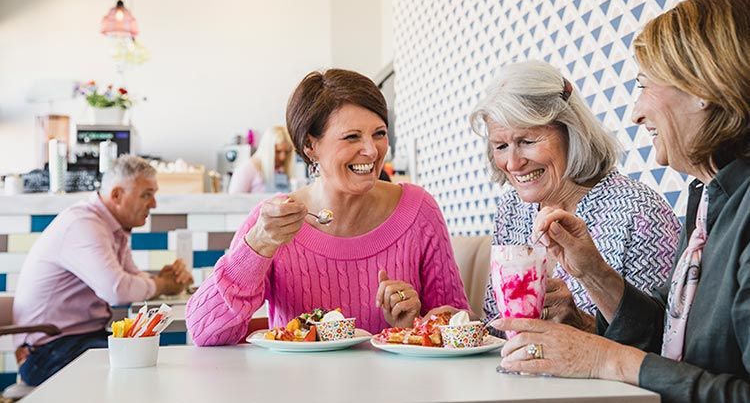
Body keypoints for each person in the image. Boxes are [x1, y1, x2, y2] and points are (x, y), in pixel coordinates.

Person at [494, 0, 750, 403]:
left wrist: (606, 358)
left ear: (703, 87)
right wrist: (592, 270)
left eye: (645, 86)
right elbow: (667, 337)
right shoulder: (707, 199)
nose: (636, 112)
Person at [186, 69, 469, 345]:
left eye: (379, 133)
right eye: (352, 136)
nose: (371, 150)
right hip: (299, 390)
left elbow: (459, 325)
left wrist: (414, 323)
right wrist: (258, 245)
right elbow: (204, 332)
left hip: (399, 392)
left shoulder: (419, 210)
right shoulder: (274, 223)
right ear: (311, 145)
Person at [470, 60, 679, 330]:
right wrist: (461, 326)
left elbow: (663, 343)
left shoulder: (639, 212)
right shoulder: (512, 210)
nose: (512, 163)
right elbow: (498, 324)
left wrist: (582, 324)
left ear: (571, 131)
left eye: (527, 141)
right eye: (500, 146)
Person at [13, 155, 192, 386]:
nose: (154, 204)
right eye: (146, 194)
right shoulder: (84, 225)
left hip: (76, 340)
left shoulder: (113, 227)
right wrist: (163, 284)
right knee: (141, 373)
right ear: (117, 195)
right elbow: (117, 290)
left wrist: (163, 280)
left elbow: (131, 277)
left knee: (147, 364)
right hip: (46, 351)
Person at [227, 126, 295, 194]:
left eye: (287, 152)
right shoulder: (246, 169)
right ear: (267, 150)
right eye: (277, 151)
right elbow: (234, 201)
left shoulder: (282, 170)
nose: (282, 157)